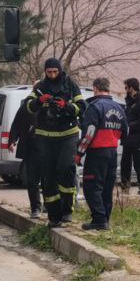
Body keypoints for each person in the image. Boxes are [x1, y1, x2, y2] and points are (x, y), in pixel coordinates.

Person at [24, 58, 85, 228]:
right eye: (48, 72)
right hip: (45, 137)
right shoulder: (40, 87)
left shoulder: (70, 85)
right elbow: (27, 106)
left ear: (59, 70)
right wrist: (39, 101)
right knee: (48, 176)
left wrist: (66, 106)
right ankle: (53, 215)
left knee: (66, 168)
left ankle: (67, 209)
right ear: (45, 72)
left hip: (68, 135)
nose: (51, 75)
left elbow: (82, 106)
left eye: (54, 72)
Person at [76, 78, 127, 231]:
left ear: (96, 88)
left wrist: (79, 152)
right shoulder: (118, 107)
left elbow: (89, 133)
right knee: (107, 187)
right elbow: (126, 131)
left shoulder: (94, 107)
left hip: (97, 152)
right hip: (112, 152)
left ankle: (98, 219)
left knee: (92, 187)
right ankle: (105, 219)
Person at [7, 102, 41, 217]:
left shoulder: (50, 105)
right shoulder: (27, 106)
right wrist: (12, 140)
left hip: (47, 149)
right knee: (32, 181)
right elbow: (16, 123)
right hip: (30, 149)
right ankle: (35, 208)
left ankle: (50, 206)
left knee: (49, 180)